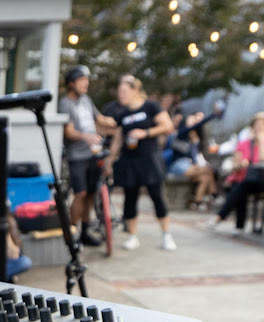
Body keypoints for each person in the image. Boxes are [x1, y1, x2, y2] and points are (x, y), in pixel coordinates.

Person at [104, 75, 176, 250]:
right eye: (119, 92)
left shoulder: (150, 106)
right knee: (130, 198)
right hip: (130, 160)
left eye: (124, 91)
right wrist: (109, 161)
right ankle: (133, 236)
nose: (121, 95)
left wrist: (146, 133)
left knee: (157, 196)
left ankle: (166, 234)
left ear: (135, 89)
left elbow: (167, 126)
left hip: (149, 157)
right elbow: (118, 140)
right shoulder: (122, 114)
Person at [57, 65, 108, 245]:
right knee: (80, 193)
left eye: (87, 80)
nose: (86, 84)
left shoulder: (86, 100)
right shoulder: (65, 103)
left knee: (90, 195)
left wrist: (119, 121)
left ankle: (85, 231)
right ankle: (71, 234)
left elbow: (100, 119)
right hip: (76, 155)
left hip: (93, 153)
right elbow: (69, 132)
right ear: (71, 84)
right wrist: (86, 136)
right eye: (81, 80)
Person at [210, 110, 264, 233]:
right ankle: (237, 226)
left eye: (263, 125)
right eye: (257, 125)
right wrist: (241, 164)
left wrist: (262, 139)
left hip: (263, 181)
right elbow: (235, 165)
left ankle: (222, 217)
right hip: (243, 178)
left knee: (241, 186)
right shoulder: (243, 143)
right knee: (241, 186)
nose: (260, 128)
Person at [164, 105, 218, 208]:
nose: (194, 122)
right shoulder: (182, 133)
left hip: (188, 164)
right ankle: (213, 194)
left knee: (205, 177)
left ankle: (197, 202)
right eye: (191, 120)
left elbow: (195, 154)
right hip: (178, 165)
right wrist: (213, 115)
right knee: (208, 170)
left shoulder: (194, 136)